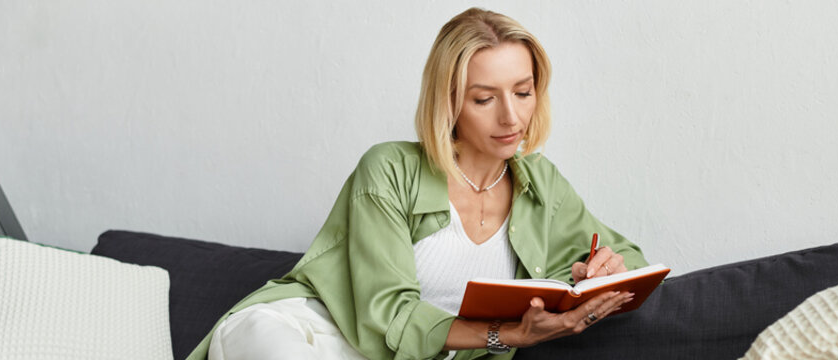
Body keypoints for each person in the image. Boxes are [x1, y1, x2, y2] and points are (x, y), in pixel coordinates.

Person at [188, 7, 648, 360]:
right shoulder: (388, 169)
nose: (512, 117)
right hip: (305, 336)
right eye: (484, 99)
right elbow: (385, 314)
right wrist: (508, 335)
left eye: (523, 92)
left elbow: (633, 261)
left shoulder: (541, 185)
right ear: (448, 102)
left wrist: (605, 270)